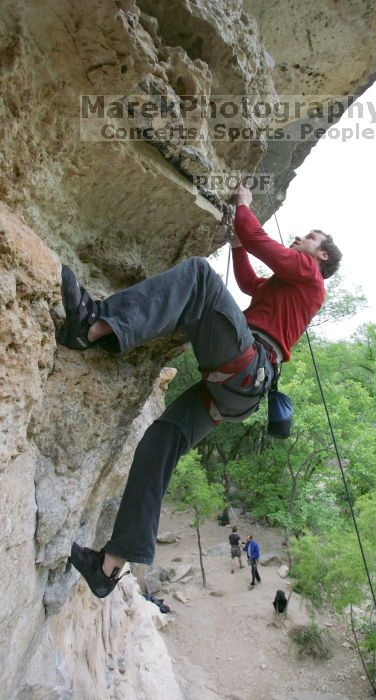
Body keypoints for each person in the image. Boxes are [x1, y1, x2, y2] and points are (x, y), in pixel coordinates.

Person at [59, 184, 342, 598]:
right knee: (159, 442)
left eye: (310, 237)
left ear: (320, 256)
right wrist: (236, 243)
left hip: (247, 368)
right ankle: (110, 565)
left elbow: (263, 244)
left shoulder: (310, 275)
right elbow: (248, 283)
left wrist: (244, 209)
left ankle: (95, 325)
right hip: (235, 393)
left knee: (198, 274)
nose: (300, 236)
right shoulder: (288, 284)